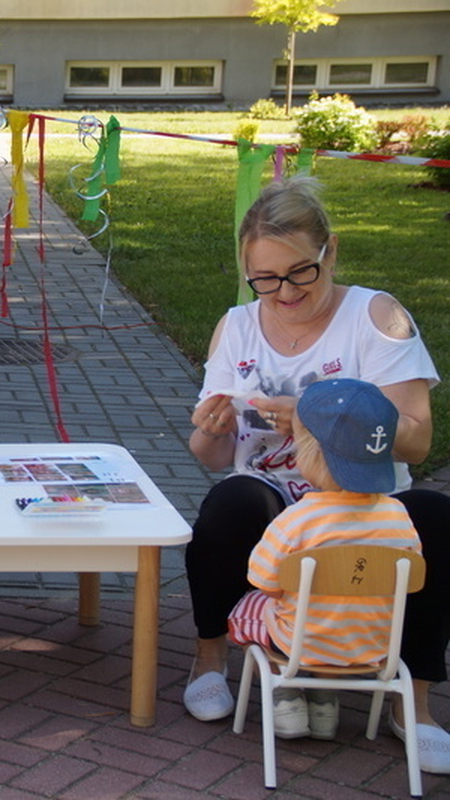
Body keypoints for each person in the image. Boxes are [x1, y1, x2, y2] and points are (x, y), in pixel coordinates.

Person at [183, 176, 450, 773]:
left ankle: (416, 702)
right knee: (229, 505)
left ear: (330, 252)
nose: (284, 292)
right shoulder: (237, 325)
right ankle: (209, 660)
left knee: (434, 518)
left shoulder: (376, 315)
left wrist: (316, 415)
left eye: (300, 272)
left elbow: (417, 438)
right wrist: (211, 427)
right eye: (265, 278)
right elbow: (212, 458)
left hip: (365, 497)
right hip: (273, 492)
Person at [226, 378, 420, 740]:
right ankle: (324, 702)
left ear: (312, 455)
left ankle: (286, 697)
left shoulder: (298, 520)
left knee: (247, 608)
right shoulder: (398, 516)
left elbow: (264, 581)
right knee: (342, 613)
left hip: (300, 643)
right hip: (373, 645)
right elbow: (410, 579)